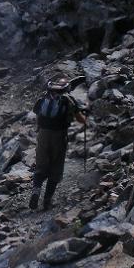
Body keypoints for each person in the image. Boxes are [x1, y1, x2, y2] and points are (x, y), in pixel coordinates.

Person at [29, 76, 86, 210]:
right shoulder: (68, 100)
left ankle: (36, 190)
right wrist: (85, 119)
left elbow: (38, 116)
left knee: (41, 165)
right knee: (56, 167)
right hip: (59, 136)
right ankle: (47, 201)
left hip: (43, 135)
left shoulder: (44, 98)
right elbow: (80, 119)